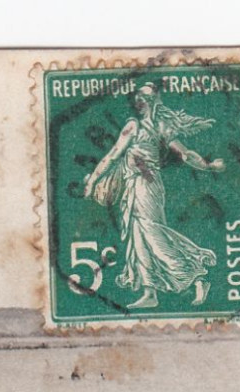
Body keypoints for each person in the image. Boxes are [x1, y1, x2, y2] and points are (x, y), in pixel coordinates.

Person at [82, 83, 225, 310]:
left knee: (152, 233)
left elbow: (185, 154)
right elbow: (112, 156)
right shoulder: (136, 125)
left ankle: (196, 277)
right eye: (139, 97)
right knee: (140, 237)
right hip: (135, 185)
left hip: (147, 186)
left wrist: (208, 166)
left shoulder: (157, 126)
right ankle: (150, 293)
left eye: (145, 98)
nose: (140, 101)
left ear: (153, 101)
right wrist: (93, 181)